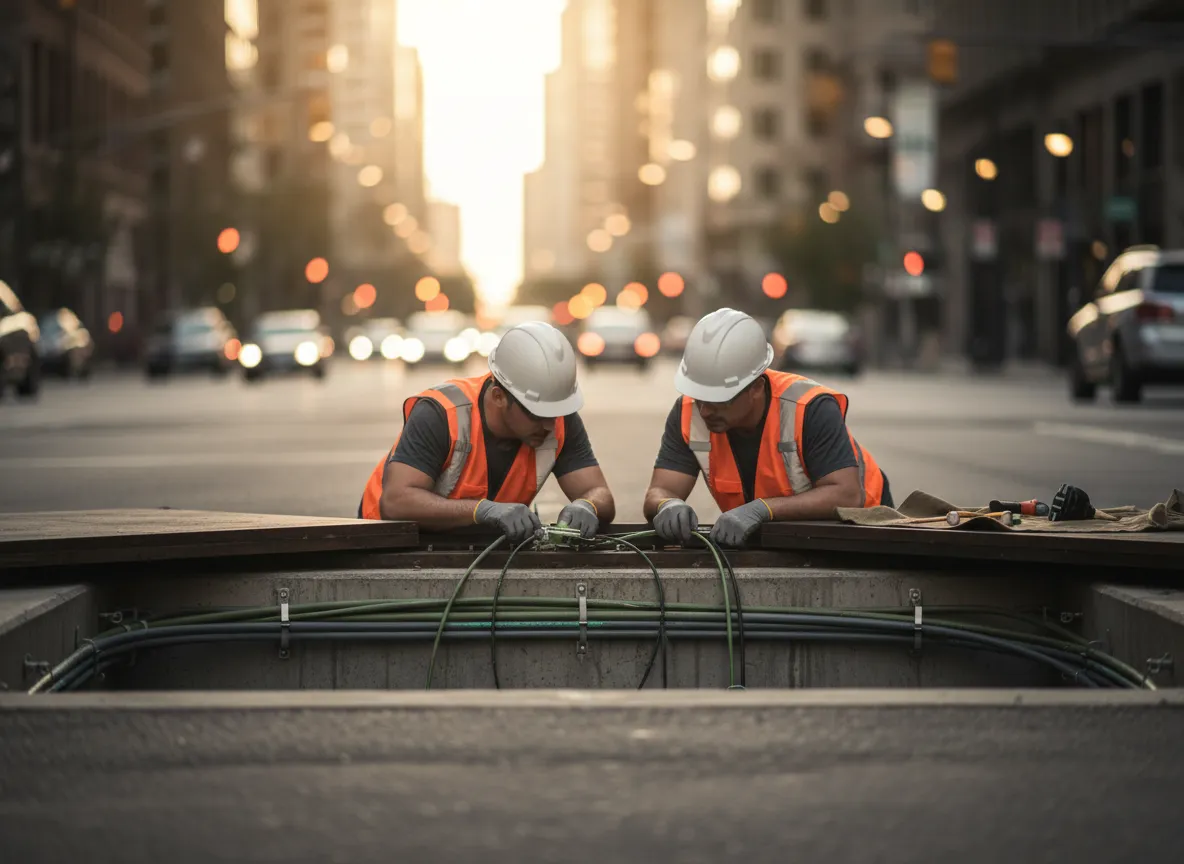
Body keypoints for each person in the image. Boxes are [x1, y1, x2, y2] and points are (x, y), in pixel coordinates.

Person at [642, 308, 890, 547]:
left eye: (719, 399)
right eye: (700, 397)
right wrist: (666, 504)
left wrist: (762, 510)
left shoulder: (809, 408)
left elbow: (847, 495)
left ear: (756, 388)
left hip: (864, 531)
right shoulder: (688, 412)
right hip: (780, 536)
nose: (705, 411)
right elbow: (661, 489)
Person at [359, 321, 615, 543]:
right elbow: (396, 502)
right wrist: (482, 511)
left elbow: (599, 492)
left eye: (555, 413)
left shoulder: (558, 418)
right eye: (536, 414)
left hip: (472, 544)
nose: (549, 425)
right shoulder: (441, 414)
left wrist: (587, 506)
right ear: (499, 396)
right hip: (385, 542)